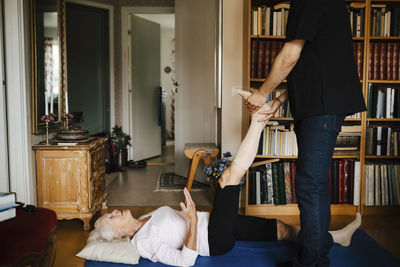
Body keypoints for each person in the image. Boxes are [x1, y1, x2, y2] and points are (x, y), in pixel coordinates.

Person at [89, 91, 362, 267]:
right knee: (229, 177)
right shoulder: (143, 242)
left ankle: (336, 237)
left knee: (279, 228)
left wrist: (196, 217)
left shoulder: (145, 217)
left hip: (216, 224)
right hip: (214, 240)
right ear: (118, 235)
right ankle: (259, 121)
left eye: (110, 213)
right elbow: (185, 261)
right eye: (112, 218)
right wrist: (194, 220)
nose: (114, 212)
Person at [244, 1, 366, 266]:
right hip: (320, 103)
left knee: (310, 185)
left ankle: (311, 261)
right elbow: (314, 64)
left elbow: (291, 54)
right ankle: (318, 250)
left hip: (322, 107)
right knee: (315, 184)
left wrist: (263, 92)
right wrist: (277, 100)